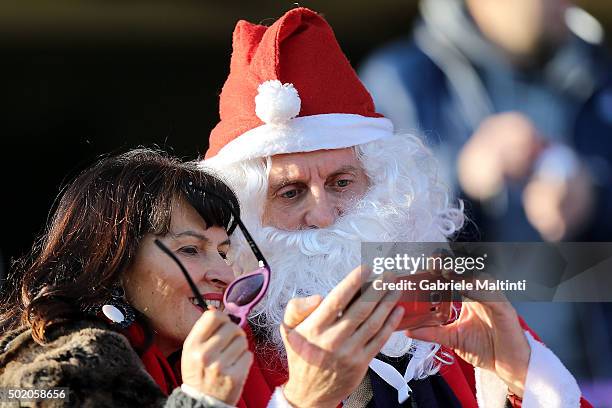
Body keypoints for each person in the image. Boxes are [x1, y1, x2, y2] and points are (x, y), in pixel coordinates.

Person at [201, 7, 592, 407]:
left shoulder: (455, 314)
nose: (323, 215)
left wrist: (522, 378)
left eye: (341, 183)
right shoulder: (219, 353)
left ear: (385, 189)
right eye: (290, 193)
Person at [358, 0, 612, 380]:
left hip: (595, 371)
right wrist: (462, 178)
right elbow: (373, 252)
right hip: (470, 378)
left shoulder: (598, 72)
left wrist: (595, 193)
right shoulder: (401, 81)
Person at [0, 149, 253, 407]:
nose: (225, 275)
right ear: (114, 260)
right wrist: (202, 401)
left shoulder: (190, 367)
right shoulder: (63, 366)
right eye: (189, 249)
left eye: (223, 253)